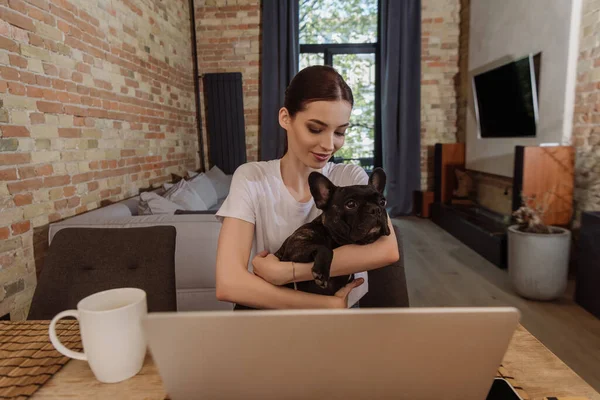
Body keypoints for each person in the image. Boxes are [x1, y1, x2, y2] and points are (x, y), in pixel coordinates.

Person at [215, 65, 399, 309]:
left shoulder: (349, 176)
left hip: (341, 324)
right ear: (285, 118)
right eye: (315, 129)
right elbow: (229, 283)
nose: (328, 145)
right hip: (279, 316)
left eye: (340, 132)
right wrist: (325, 306)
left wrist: (288, 272)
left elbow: (387, 251)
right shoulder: (252, 178)